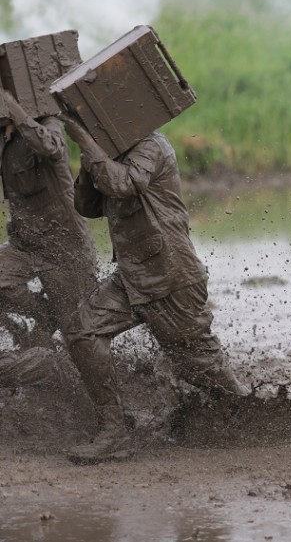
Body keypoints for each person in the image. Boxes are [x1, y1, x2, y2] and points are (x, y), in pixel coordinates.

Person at [60, 116, 249, 464]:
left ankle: (256, 419)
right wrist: (90, 155)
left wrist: (87, 143)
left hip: (170, 278)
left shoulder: (151, 145)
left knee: (197, 365)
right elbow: (86, 206)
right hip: (132, 277)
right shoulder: (109, 154)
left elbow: (125, 184)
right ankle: (114, 432)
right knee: (81, 330)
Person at [0, 89, 98, 349]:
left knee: (79, 333)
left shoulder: (49, 124)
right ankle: (46, 316)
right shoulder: (4, 140)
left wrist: (13, 107)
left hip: (64, 246)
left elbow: (49, 146)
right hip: (25, 244)